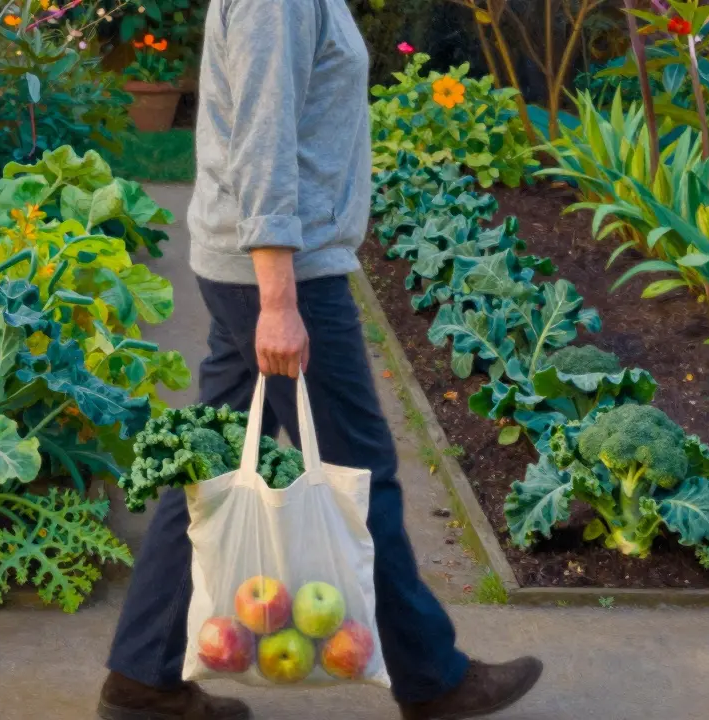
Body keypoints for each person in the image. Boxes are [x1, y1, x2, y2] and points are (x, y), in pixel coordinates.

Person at [98, 0, 543, 717]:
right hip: (282, 275)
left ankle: (142, 680)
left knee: (212, 469)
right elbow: (263, 139)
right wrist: (278, 301)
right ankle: (433, 680)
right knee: (359, 475)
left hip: (258, 268)